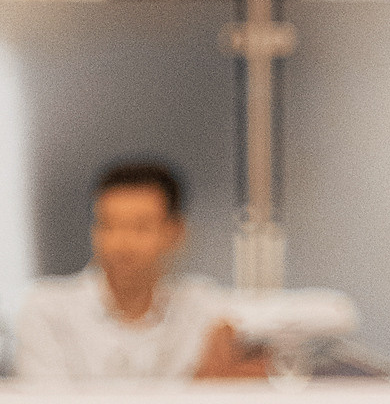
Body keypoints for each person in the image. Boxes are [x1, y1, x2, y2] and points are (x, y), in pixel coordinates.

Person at [11, 163, 267, 382]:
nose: (121, 243)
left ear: (175, 232)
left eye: (140, 227)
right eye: (108, 225)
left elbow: (268, 341)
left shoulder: (201, 306)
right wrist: (199, 387)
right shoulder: (48, 310)